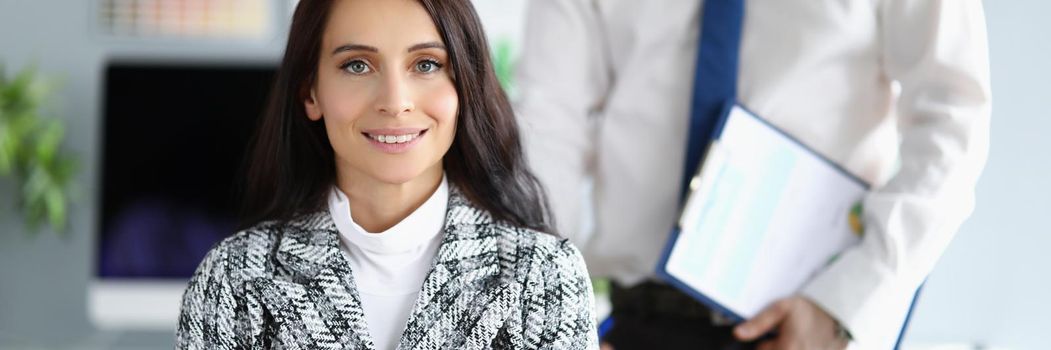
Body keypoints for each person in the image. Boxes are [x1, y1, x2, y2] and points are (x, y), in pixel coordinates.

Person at [514, 0, 990, 349]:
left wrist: (849, 300)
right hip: (637, 323)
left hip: (802, 323)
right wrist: (548, 321)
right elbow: (549, 124)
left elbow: (953, 117)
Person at [175, 0, 599, 349]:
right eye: (357, 65)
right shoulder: (233, 279)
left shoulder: (542, 275)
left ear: (464, 85)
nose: (395, 102)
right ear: (310, 91)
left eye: (427, 64)